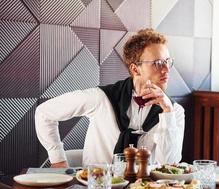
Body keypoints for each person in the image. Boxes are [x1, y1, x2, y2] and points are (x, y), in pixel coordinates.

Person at [35, 28, 185, 168]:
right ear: (135, 69)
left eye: (167, 62)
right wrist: (58, 160)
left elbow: (170, 164)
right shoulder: (101, 98)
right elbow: (44, 113)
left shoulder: (174, 111)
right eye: (158, 63)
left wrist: (167, 112)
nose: (166, 70)